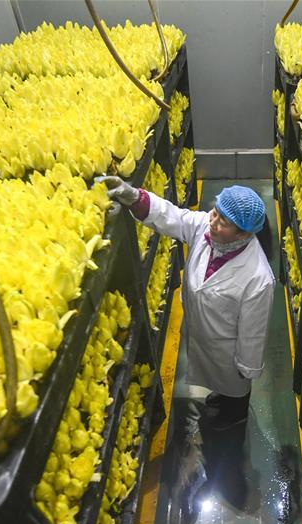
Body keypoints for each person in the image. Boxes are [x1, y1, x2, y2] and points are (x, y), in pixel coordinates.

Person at [98, 175, 275, 429]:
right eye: (215, 213)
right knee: (216, 379)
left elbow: (254, 333)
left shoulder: (258, 278)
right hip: (204, 335)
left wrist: (247, 367)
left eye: (223, 222)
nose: (213, 222)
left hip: (229, 349)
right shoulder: (205, 227)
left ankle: (236, 414)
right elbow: (172, 217)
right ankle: (224, 395)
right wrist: (135, 197)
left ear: (244, 232)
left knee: (234, 385)